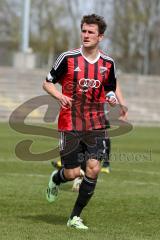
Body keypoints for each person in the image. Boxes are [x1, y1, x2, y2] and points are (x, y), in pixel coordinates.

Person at [43, 14, 117, 230]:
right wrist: (59, 96)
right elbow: (47, 83)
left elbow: (110, 88)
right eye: (83, 31)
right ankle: (57, 179)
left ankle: (74, 217)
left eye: (90, 32)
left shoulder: (108, 63)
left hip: (95, 124)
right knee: (73, 173)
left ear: (100, 36)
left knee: (93, 169)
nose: (85, 35)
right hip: (70, 123)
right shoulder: (67, 58)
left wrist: (111, 97)